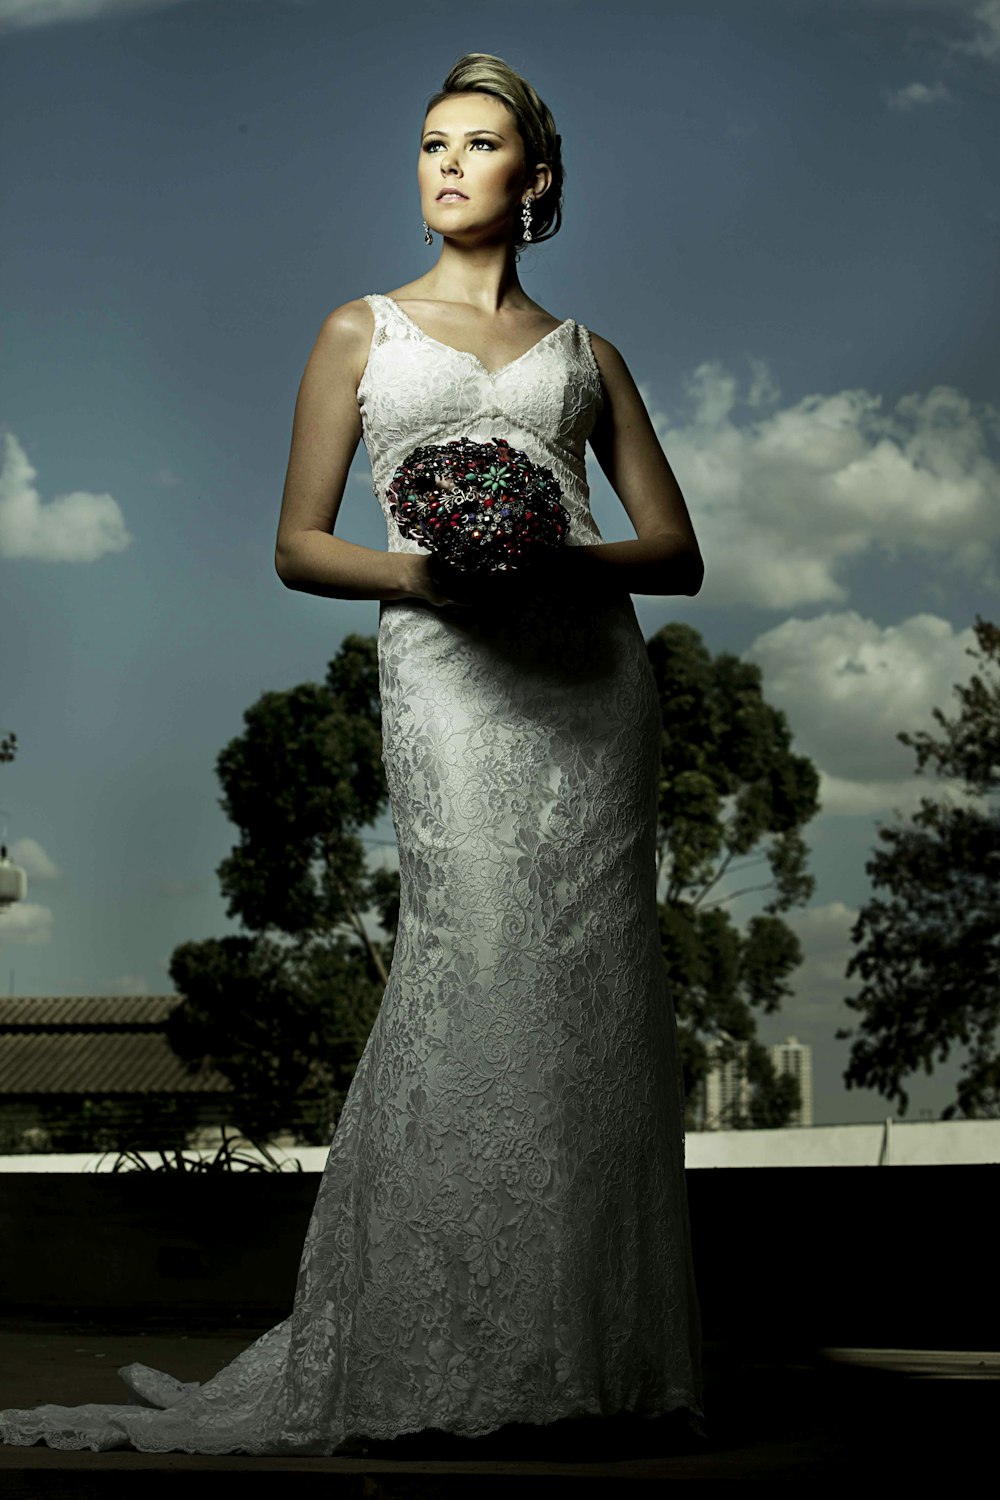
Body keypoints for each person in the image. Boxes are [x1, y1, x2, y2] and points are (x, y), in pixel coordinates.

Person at [0, 51, 705, 1458]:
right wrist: (430, 578)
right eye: (432, 143)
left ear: (536, 178)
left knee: (593, 986)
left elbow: (676, 555)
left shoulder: (588, 358)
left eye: (480, 144)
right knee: (475, 957)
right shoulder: (358, 332)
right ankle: (443, 1344)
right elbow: (296, 544)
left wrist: (557, 559)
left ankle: (597, 1360)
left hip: (587, 692)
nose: (448, 164)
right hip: (447, 675)